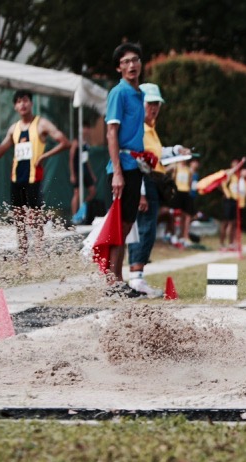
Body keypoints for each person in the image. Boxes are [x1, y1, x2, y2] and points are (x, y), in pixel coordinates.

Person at [0, 89, 70, 257]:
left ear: (31, 103)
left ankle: (38, 255)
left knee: (36, 220)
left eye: (25, 100)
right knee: (19, 221)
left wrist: (44, 156)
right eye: (18, 101)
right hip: (17, 179)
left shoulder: (42, 124)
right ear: (15, 107)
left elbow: (64, 142)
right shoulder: (13, 129)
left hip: (34, 178)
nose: (22, 104)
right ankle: (23, 257)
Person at [127, 82, 190, 297]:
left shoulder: (150, 129)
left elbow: (154, 154)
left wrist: (174, 150)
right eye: (150, 103)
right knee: (145, 229)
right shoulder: (137, 128)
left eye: (157, 104)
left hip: (152, 182)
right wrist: (142, 192)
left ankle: (137, 276)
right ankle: (136, 279)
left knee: (148, 229)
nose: (153, 108)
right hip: (145, 183)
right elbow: (137, 162)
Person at [102, 42, 153, 298]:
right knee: (118, 227)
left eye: (135, 60)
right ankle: (112, 283)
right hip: (121, 167)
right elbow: (111, 132)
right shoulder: (118, 93)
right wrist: (118, 172)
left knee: (127, 225)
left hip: (135, 166)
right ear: (118, 68)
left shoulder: (140, 94)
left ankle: (120, 282)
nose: (131, 65)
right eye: (125, 62)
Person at [69, 121, 98, 223]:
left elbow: (86, 160)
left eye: (88, 128)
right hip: (77, 170)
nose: (87, 130)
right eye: (85, 128)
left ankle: (83, 208)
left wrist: (91, 174)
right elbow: (71, 157)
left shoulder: (87, 143)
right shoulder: (76, 141)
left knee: (93, 191)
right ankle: (74, 216)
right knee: (76, 193)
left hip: (85, 170)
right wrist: (72, 173)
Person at [218, 157, 246, 249]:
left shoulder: (237, 177)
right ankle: (222, 243)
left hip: (235, 201)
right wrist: (225, 193)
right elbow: (220, 184)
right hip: (228, 200)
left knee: (233, 223)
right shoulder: (228, 174)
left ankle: (231, 243)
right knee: (225, 222)